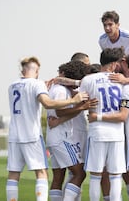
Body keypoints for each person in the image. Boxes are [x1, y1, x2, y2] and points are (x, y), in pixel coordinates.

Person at [6, 56, 88, 201]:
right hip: (31, 134)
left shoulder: (12, 85)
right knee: (42, 173)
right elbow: (47, 103)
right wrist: (74, 101)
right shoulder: (37, 84)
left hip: (13, 135)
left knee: (13, 174)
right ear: (37, 70)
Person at [88, 55, 129, 201]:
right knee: (127, 173)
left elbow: (122, 116)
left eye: (124, 65)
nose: (120, 66)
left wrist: (97, 117)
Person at [46, 61, 97, 201]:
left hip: (56, 136)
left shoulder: (65, 90)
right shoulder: (60, 90)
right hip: (62, 138)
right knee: (79, 173)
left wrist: (81, 106)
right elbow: (60, 111)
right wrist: (81, 107)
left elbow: (63, 113)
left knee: (58, 177)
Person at [80, 47, 126, 201]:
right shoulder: (122, 81)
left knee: (95, 176)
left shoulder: (88, 80)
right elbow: (124, 109)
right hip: (117, 134)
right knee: (115, 176)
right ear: (113, 64)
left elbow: (81, 101)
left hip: (97, 132)